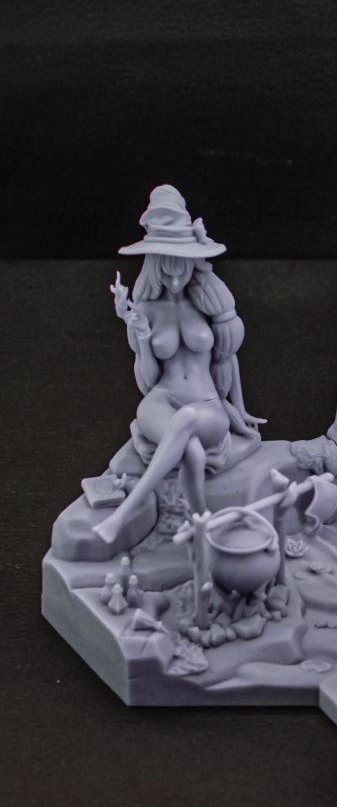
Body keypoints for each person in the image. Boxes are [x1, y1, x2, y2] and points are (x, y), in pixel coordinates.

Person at [93, 185, 264, 545]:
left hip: (206, 405)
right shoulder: (145, 310)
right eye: (166, 272)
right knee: (192, 450)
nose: (174, 281)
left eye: (181, 271)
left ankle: (123, 516)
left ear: (191, 263)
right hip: (160, 400)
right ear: (155, 266)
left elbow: (227, 358)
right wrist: (141, 335)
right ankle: (202, 521)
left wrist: (240, 408)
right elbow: (147, 380)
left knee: (186, 423)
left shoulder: (207, 306)